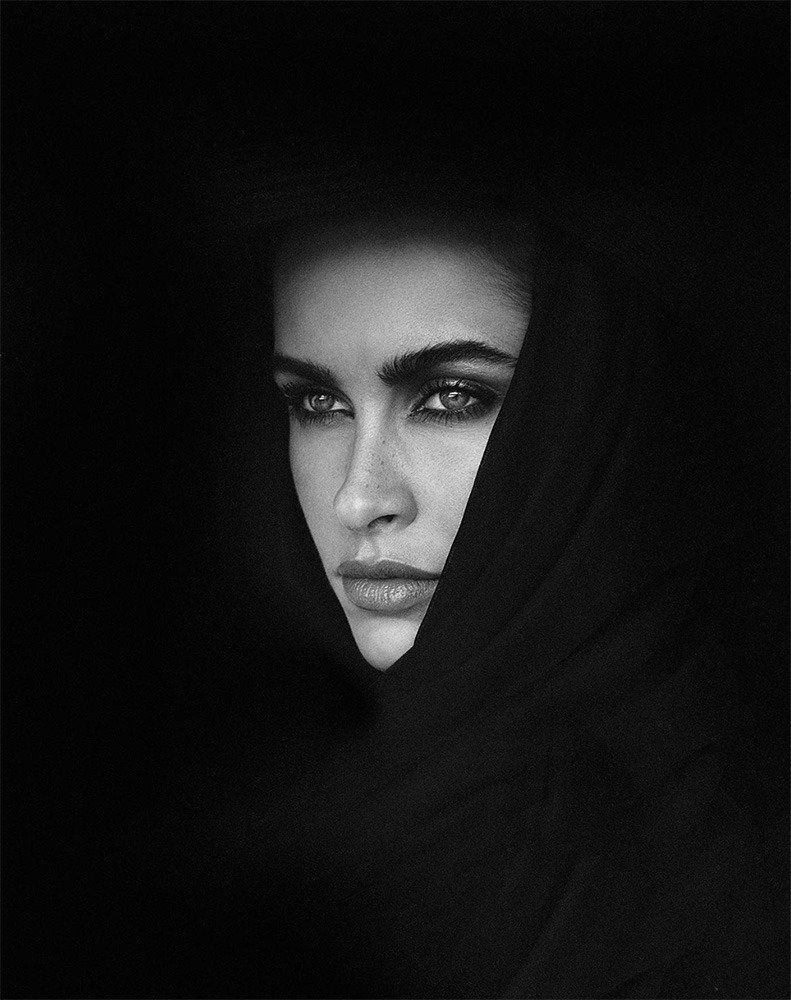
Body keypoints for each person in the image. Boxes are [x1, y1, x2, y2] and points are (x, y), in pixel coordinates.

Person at [18, 185, 784, 999]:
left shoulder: (645, 868)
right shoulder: (226, 809)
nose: (358, 498)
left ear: (597, 404)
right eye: (317, 403)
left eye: (453, 397)